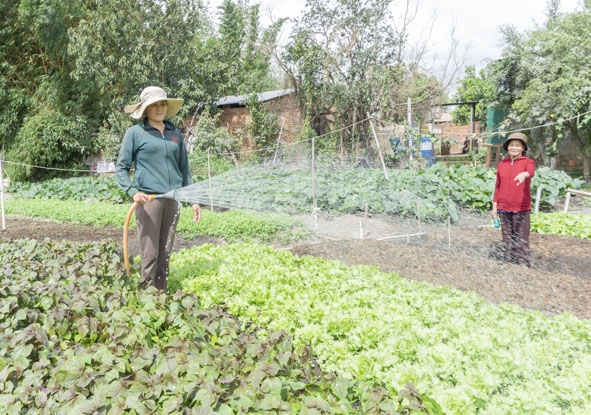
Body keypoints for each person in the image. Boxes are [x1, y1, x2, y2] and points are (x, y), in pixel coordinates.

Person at [116, 86, 200, 290]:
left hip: (173, 199)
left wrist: (193, 198)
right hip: (149, 200)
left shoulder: (174, 133)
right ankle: (147, 291)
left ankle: (161, 292)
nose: (159, 108)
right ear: (146, 109)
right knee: (150, 251)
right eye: (154, 105)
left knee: (165, 248)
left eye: (162, 104)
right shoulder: (136, 133)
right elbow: (121, 168)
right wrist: (133, 191)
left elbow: (184, 169)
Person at [491, 132, 535, 267]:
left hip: (521, 207)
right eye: (511, 145)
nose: (514, 148)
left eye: (517, 145)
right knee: (507, 237)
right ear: (507, 147)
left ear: (523, 148)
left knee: (521, 238)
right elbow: (497, 186)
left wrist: (524, 174)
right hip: (503, 208)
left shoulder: (528, 162)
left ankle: (523, 265)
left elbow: (531, 172)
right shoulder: (502, 164)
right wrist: (494, 207)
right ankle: (508, 262)